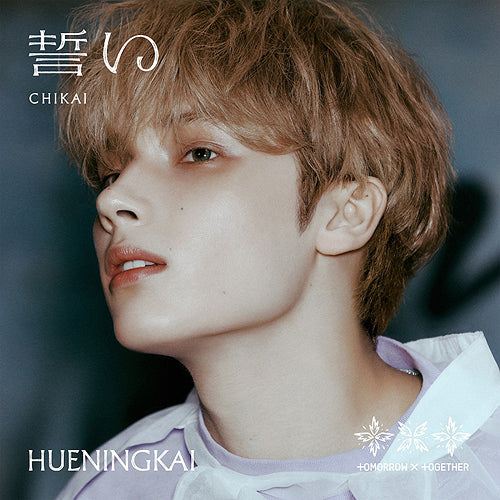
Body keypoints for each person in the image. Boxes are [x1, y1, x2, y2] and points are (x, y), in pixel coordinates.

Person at [56, 0, 500, 498]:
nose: (112, 200)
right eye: (110, 174)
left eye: (199, 154)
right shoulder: (110, 485)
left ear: (347, 213)